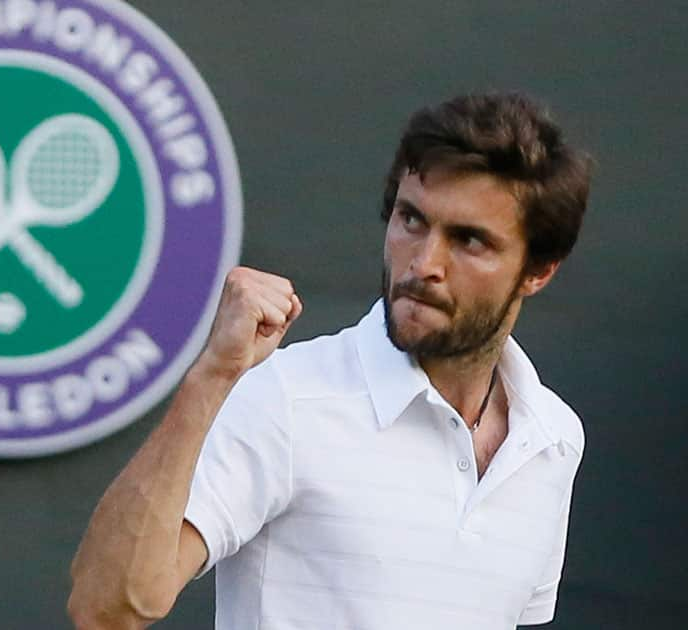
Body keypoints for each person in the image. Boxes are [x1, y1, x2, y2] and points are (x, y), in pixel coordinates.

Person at [68, 92, 591, 630]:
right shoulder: (286, 398)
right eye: (411, 220)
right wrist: (210, 380)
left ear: (538, 271)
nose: (424, 263)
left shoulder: (553, 439)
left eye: (469, 240)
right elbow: (109, 606)